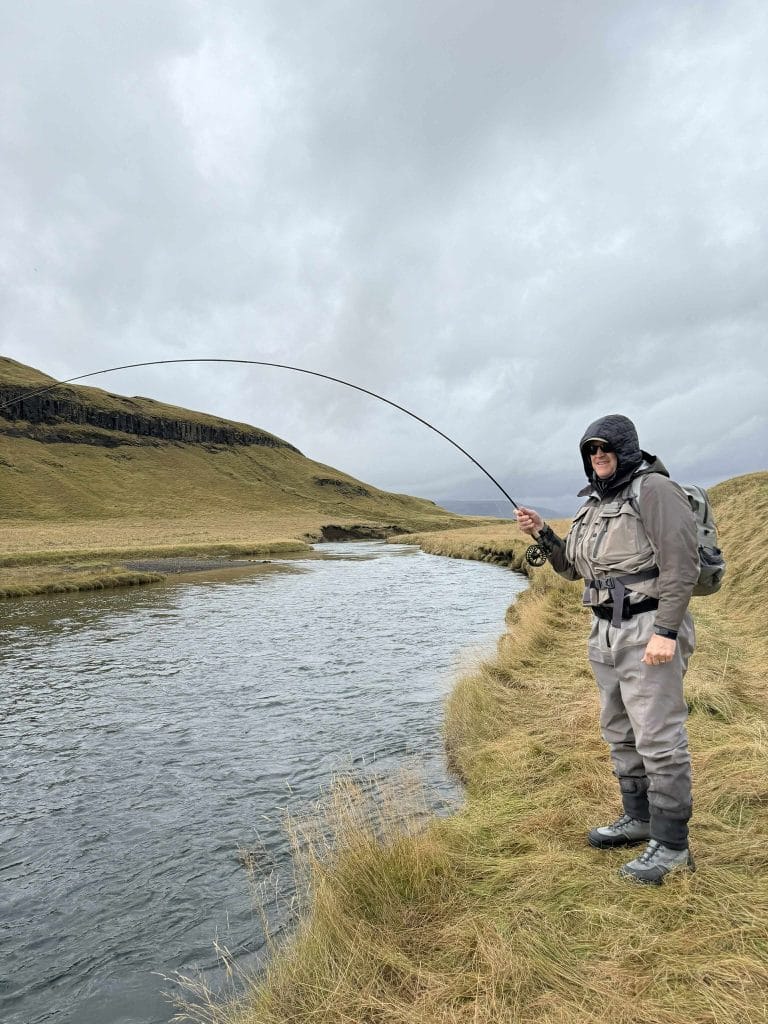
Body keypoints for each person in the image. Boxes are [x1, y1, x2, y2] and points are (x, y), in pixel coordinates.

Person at [516, 413, 699, 885]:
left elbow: (681, 564)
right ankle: (639, 821)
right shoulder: (594, 504)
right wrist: (543, 534)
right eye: (590, 451)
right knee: (619, 729)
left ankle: (673, 845)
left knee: (658, 735)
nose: (598, 456)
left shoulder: (654, 490)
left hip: (648, 627)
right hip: (605, 630)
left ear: (625, 448)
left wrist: (666, 631)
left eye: (605, 448)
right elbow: (572, 570)